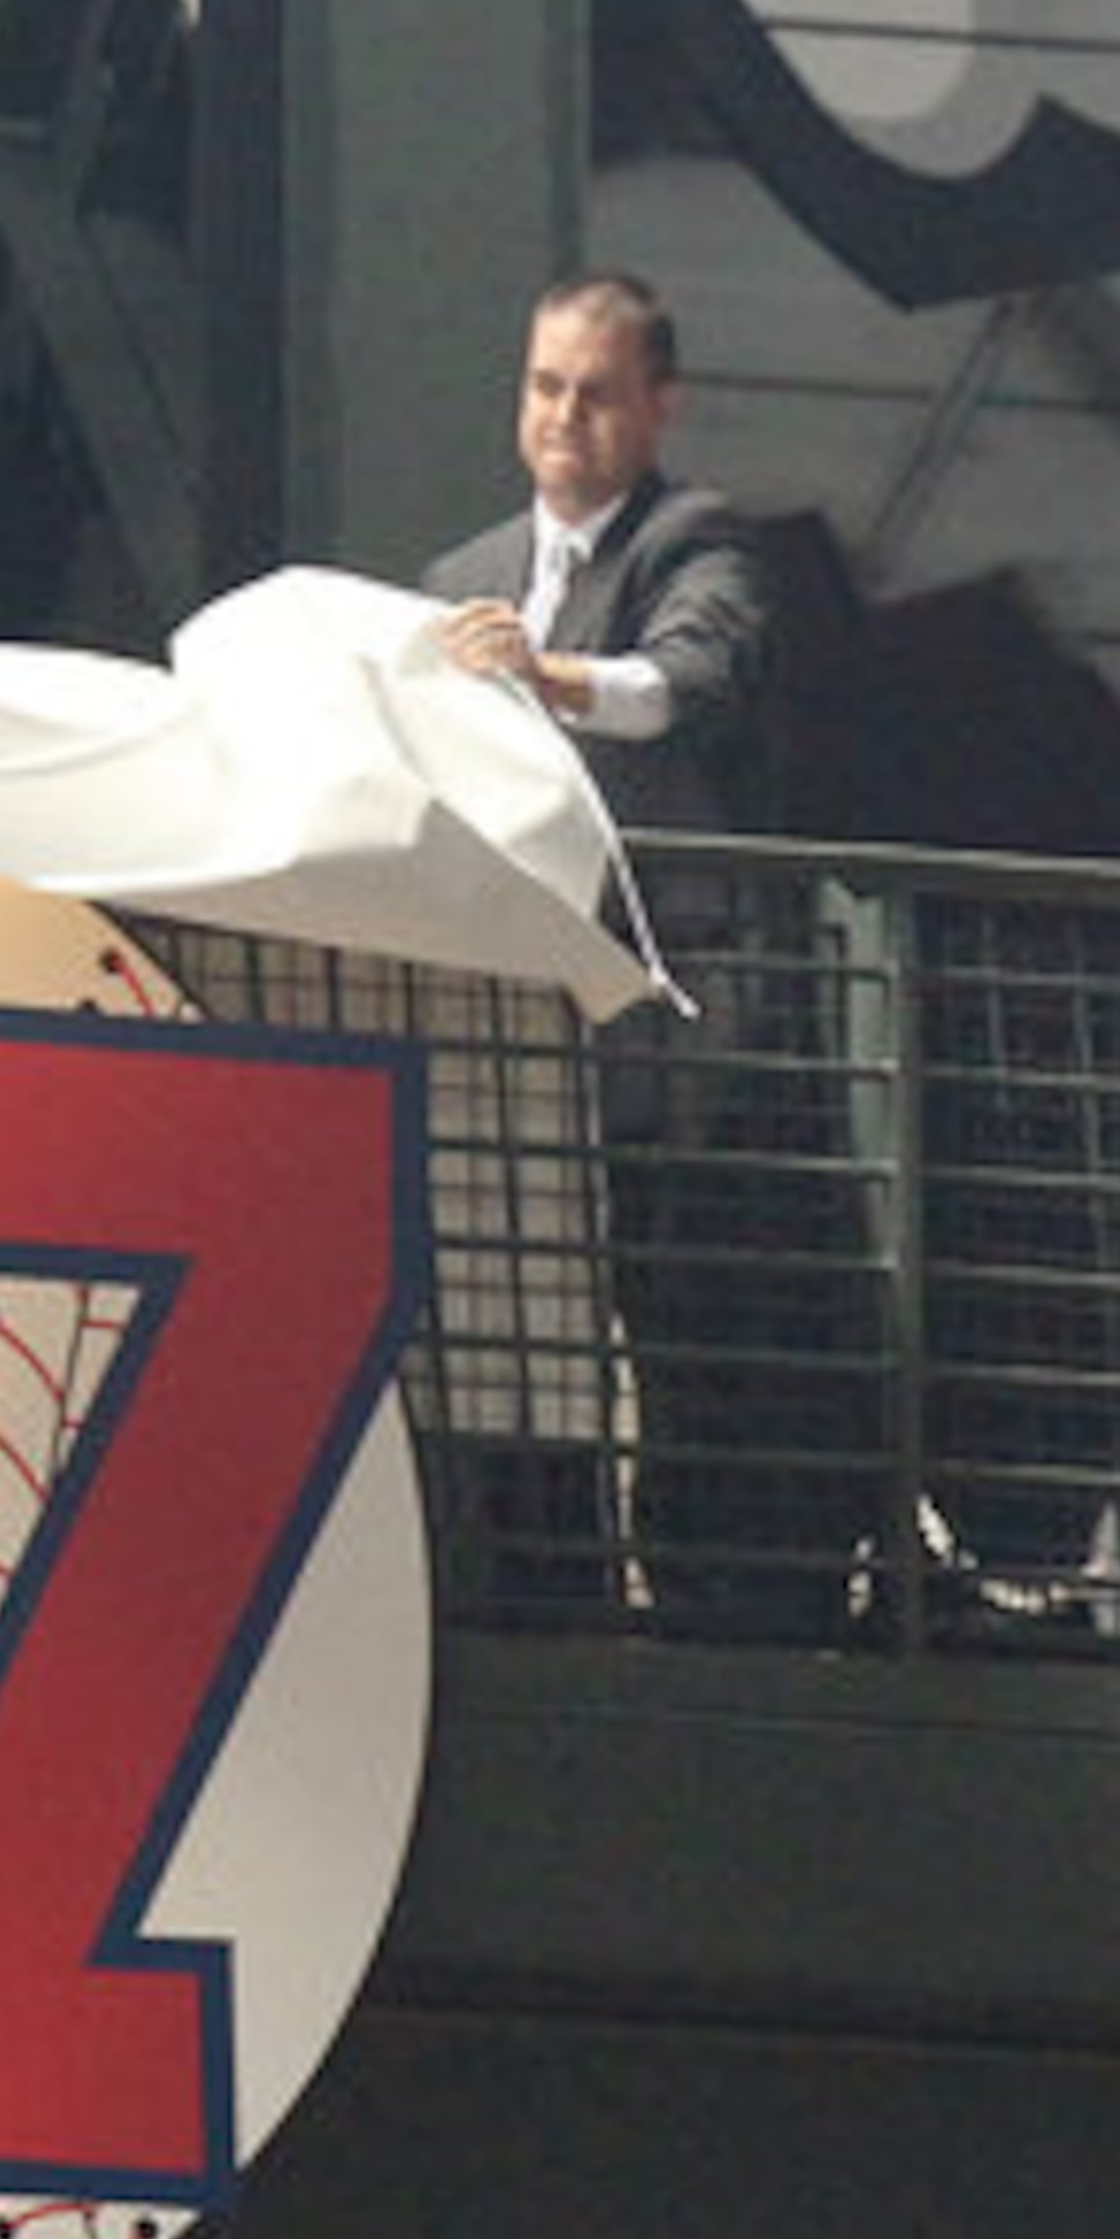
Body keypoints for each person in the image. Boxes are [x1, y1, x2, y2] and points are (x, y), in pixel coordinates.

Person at [426, 271, 883, 1638]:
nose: (565, 417)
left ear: (657, 406)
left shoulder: (703, 548)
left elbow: (677, 683)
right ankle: (539, 1586)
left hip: (679, 1028)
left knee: (683, 1316)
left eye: (597, 392)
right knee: (524, 1313)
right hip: (523, 1026)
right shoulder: (460, 584)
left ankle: (701, 1597)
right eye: (545, 386)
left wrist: (544, 675)